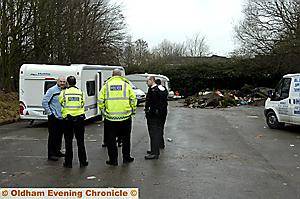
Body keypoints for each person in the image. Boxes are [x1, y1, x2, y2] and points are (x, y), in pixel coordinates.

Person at [98, 69, 137, 166]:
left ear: (112, 75)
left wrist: (103, 112)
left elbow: (100, 100)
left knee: (111, 141)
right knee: (126, 139)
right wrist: (133, 110)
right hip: (125, 118)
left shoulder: (106, 86)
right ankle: (126, 158)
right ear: (121, 75)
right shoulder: (126, 85)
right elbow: (133, 99)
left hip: (110, 119)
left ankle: (113, 160)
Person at [59, 76, 88, 168]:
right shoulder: (80, 92)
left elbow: (61, 102)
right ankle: (83, 162)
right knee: (80, 141)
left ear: (67, 82)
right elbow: (83, 103)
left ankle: (68, 163)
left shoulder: (63, 93)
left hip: (67, 120)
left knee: (68, 142)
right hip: (79, 119)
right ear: (75, 83)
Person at [42, 77, 66, 161]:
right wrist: (50, 113)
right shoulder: (52, 90)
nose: (62, 83)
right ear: (57, 82)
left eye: (64, 81)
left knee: (59, 136)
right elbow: (44, 102)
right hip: (54, 117)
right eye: (61, 81)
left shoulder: (65, 91)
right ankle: (51, 154)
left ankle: (57, 151)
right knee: (52, 136)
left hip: (62, 117)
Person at [144, 76, 166, 160]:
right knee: (157, 132)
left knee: (153, 133)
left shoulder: (155, 90)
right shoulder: (159, 89)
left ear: (152, 80)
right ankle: (155, 149)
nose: (146, 83)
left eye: (147, 81)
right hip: (158, 114)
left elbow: (154, 103)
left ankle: (154, 152)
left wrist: (150, 111)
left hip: (154, 115)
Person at [154, 79, 168, 149]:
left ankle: (159, 144)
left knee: (157, 128)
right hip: (164, 110)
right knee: (161, 127)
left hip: (158, 111)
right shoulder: (164, 89)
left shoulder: (156, 90)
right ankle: (161, 144)